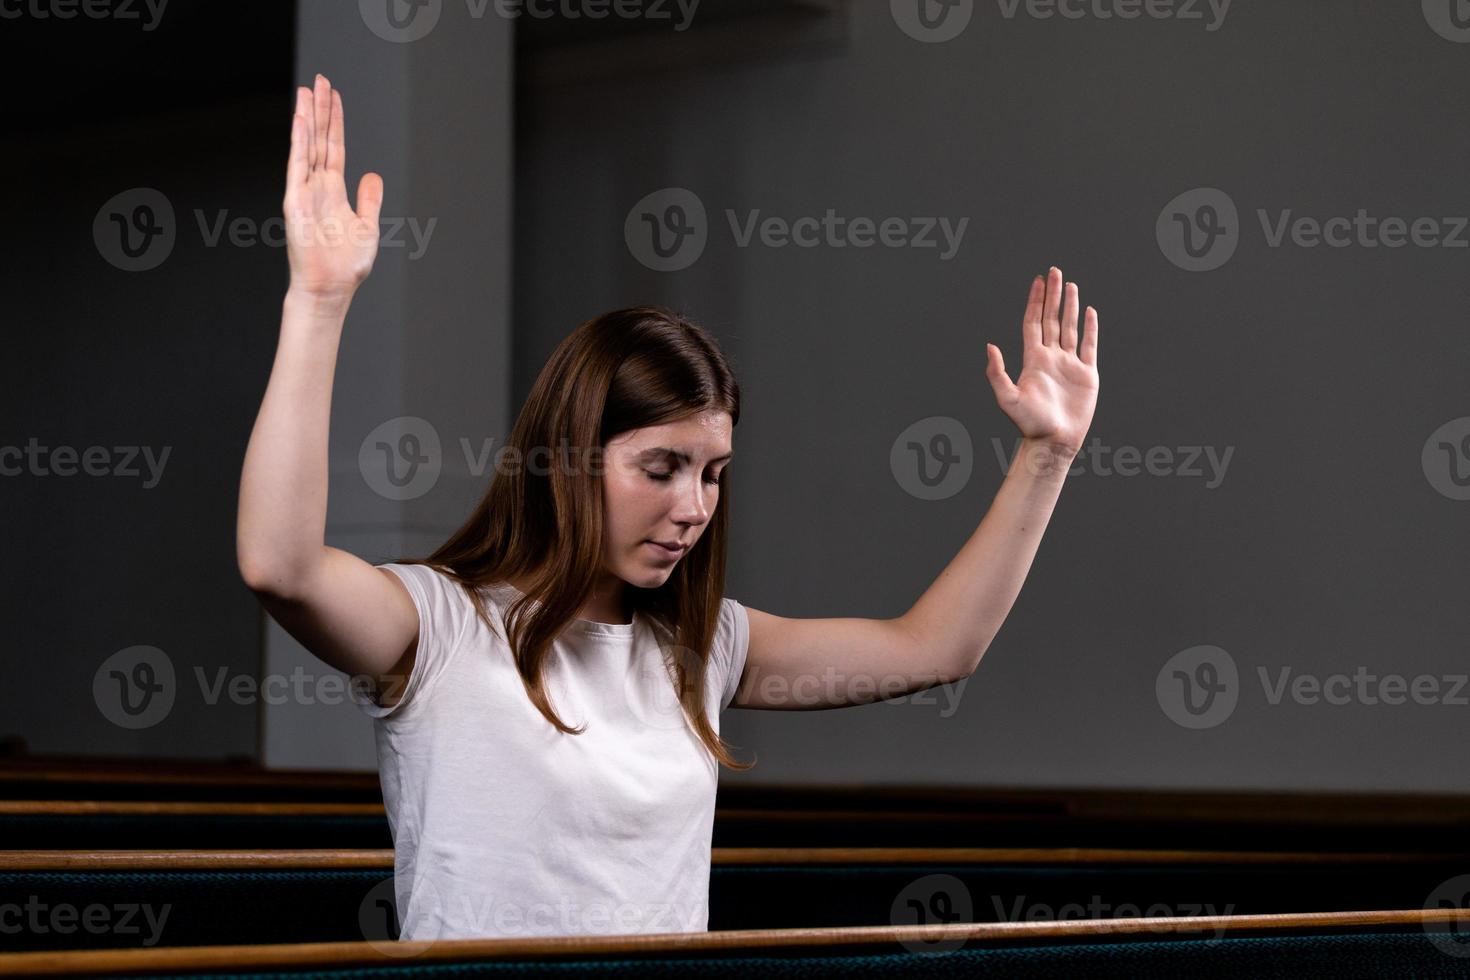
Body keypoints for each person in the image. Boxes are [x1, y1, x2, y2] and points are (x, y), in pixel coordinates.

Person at [236, 73, 1102, 943]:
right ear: (570, 461)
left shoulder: (704, 648)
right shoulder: (438, 628)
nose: (694, 506)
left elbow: (936, 648)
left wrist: (1047, 454)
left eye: (713, 473)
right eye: (660, 467)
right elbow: (279, 565)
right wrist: (318, 301)